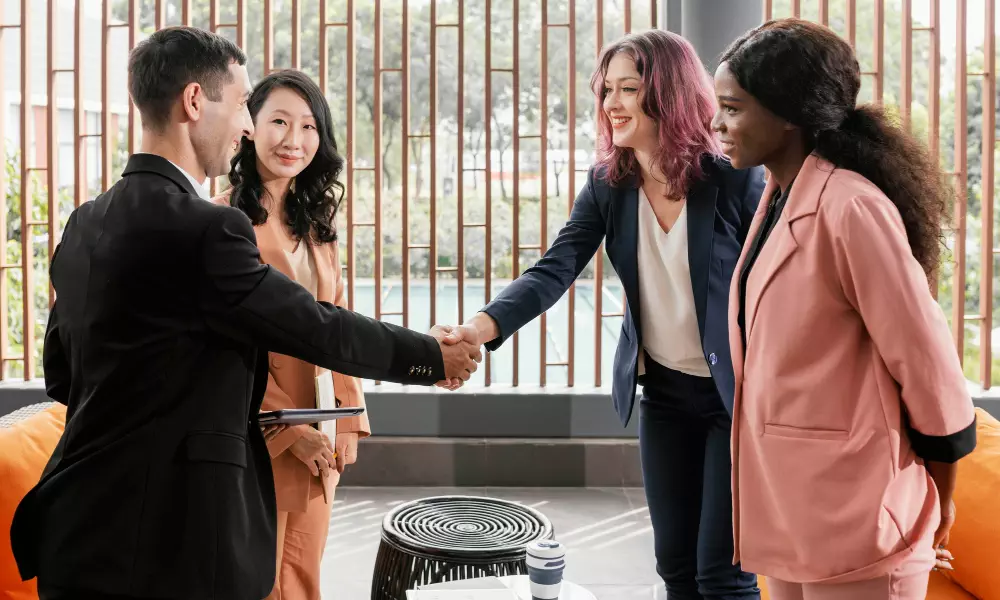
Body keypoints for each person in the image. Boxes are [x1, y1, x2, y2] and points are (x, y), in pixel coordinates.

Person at [10, 27, 480, 600]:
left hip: (75, 530)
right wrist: (432, 355)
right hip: (172, 543)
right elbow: (314, 327)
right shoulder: (210, 227)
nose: (248, 126)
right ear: (192, 102)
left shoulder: (84, 222)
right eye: (240, 105)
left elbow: (62, 372)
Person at [438, 30, 764, 599]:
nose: (611, 103)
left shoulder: (734, 178)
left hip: (734, 398)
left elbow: (775, 286)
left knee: (724, 572)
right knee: (674, 567)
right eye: (606, 89)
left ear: (669, 93)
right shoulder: (608, 185)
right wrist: (479, 329)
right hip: (662, 393)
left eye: (629, 89)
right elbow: (554, 269)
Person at [713, 18, 977, 600]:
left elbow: (927, 365)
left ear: (788, 115)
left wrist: (943, 496)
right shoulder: (778, 198)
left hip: (859, 519)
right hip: (790, 512)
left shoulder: (851, 208)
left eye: (732, 108)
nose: (718, 124)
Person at [211, 69, 362, 600]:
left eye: (308, 126)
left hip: (320, 426)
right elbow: (224, 341)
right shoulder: (224, 217)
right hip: (258, 429)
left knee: (303, 574)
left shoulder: (316, 219)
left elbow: (336, 319)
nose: (293, 140)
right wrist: (284, 427)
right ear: (249, 126)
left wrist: (348, 416)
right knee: (257, 577)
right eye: (278, 121)